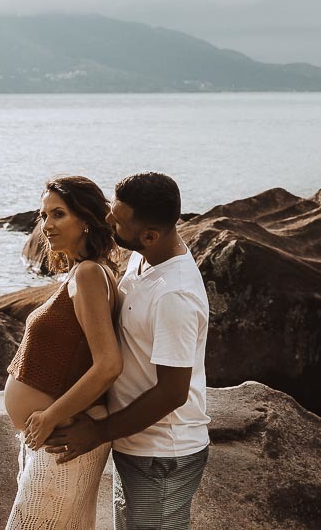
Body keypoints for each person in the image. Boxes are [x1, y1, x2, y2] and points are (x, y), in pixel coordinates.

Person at [45, 172, 211, 530]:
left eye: (118, 221)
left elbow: (173, 392)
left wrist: (98, 431)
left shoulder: (175, 295)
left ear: (150, 235)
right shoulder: (144, 257)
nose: (107, 220)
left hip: (162, 455)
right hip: (135, 445)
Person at [4, 175, 122, 529]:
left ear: (86, 220)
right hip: (50, 440)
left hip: (60, 439)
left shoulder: (89, 274)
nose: (47, 225)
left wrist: (49, 417)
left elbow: (108, 365)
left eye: (59, 214)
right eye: (43, 216)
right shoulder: (84, 273)